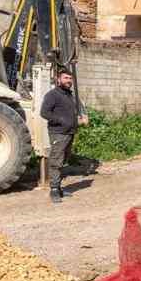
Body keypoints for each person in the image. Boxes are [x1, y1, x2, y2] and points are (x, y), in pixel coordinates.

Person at [39, 67, 87, 204]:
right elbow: (44, 113)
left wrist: (79, 119)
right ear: (58, 79)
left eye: (70, 78)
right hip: (58, 133)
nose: (69, 81)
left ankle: (59, 187)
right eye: (66, 78)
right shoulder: (52, 95)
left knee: (63, 161)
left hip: (69, 133)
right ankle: (54, 190)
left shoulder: (69, 95)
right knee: (56, 161)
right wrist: (61, 120)